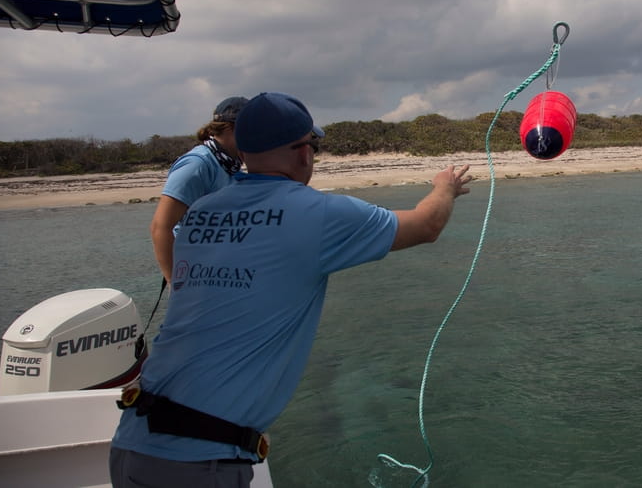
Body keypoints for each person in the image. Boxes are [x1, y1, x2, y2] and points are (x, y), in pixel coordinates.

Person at [110, 91, 473, 487]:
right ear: (303, 153)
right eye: (312, 146)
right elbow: (426, 225)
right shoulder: (318, 215)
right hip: (199, 464)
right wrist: (445, 187)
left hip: (131, 443)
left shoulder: (201, 213)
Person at [150, 96, 248, 282]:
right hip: (195, 277)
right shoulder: (197, 165)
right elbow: (160, 227)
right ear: (229, 128)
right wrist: (175, 283)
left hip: (221, 275)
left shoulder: (230, 165)